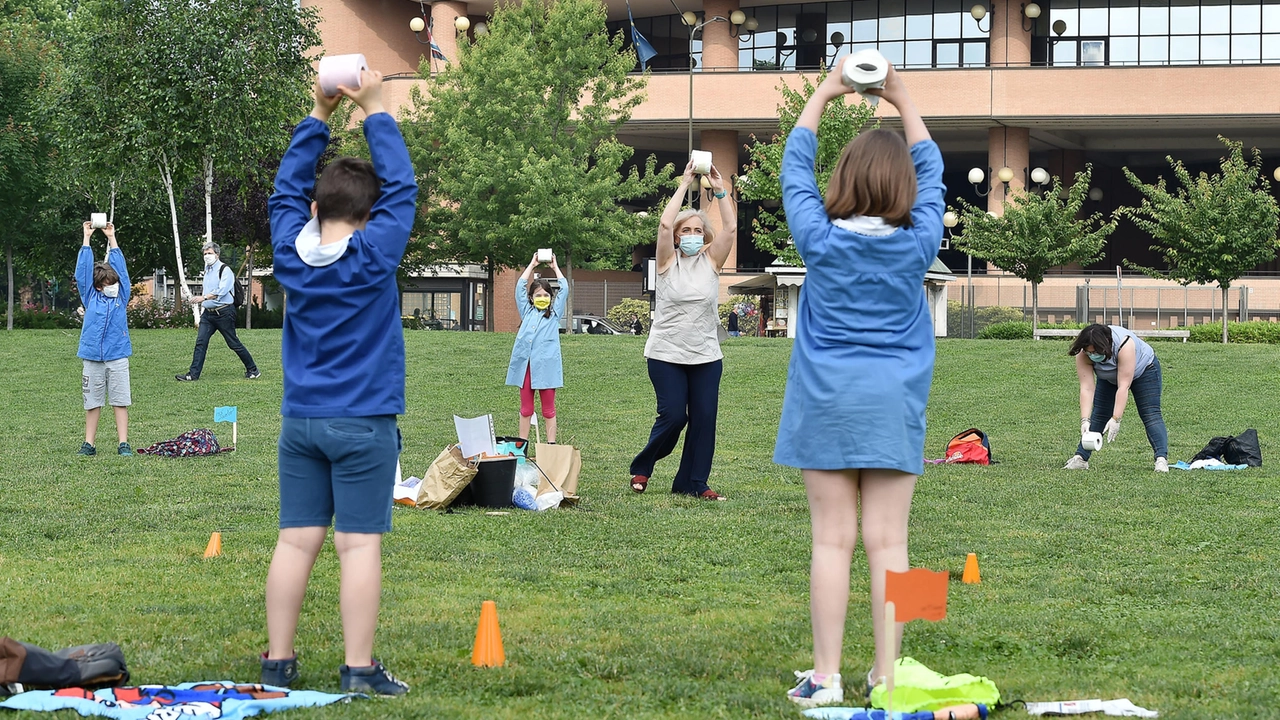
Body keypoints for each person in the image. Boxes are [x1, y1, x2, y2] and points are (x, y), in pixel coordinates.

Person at [774, 59, 944, 707]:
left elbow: (795, 166)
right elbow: (933, 174)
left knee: (830, 541)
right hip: (894, 402)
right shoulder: (918, 242)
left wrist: (824, 91)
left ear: (842, 180)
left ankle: (825, 677)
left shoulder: (818, 237)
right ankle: (887, 676)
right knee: (892, 543)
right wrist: (901, 98)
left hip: (825, 401)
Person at [259, 69, 415, 696]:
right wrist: (375, 106)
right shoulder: (375, 253)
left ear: (315, 208)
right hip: (363, 423)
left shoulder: (291, 255)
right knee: (356, 547)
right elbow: (401, 184)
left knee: (296, 543)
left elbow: (283, 194)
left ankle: (277, 665)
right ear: (372, 215)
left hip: (301, 422)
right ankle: (357, 670)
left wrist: (318, 114)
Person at [629, 160, 735, 500]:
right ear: (677, 236)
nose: (692, 235)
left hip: (705, 353)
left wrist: (720, 190)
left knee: (704, 418)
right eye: (685, 231)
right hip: (666, 352)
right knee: (674, 415)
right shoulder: (666, 262)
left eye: (697, 231)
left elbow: (731, 231)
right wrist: (686, 183)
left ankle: (693, 483)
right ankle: (644, 464)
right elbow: (662, 224)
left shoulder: (712, 261)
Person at [1064, 324, 1169, 472]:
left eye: (1095, 352)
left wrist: (1116, 419)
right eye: (1089, 352)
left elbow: (1123, 386)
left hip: (1144, 370)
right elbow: (1086, 388)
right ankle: (1080, 458)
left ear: (1106, 343)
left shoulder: (1124, 344)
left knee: (1150, 413)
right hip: (1109, 377)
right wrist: (1084, 420)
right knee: (1099, 415)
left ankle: (1161, 459)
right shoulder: (1083, 353)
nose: (1092, 355)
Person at [75, 221, 133, 457]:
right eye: (109, 284)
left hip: (117, 356)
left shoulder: (122, 295)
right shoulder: (90, 296)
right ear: (98, 286)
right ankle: (89, 444)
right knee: (92, 402)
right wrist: (86, 239)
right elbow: (82, 274)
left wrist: (112, 238)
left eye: (115, 283)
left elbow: (123, 271)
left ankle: (123, 444)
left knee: (120, 401)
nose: (114, 287)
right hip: (91, 357)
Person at [175, 242, 260, 381]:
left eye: (209, 253)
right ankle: (193, 375)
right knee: (201, 342)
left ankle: (253, 369)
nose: (207, 256)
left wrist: (202, 298)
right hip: (208, 314)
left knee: (233, 343)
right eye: (205, 254)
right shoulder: (207, 269)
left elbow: (221, 291)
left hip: (224, 313)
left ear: (217, 254)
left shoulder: (225, 270)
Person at [505, 253, 567, 443]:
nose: (542, 298)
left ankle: (551, 445)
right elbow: (518, 289)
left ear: (551, 298)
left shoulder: (554, 314)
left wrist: (555, 266)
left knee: (548, 409)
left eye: (546, 295)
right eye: (538, 295)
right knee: (526, 409)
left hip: (547, 368)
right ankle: (521, 446)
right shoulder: (527, 311)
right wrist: (532, 264)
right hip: (526, 368)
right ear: (531, 298)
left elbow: (564, 289)